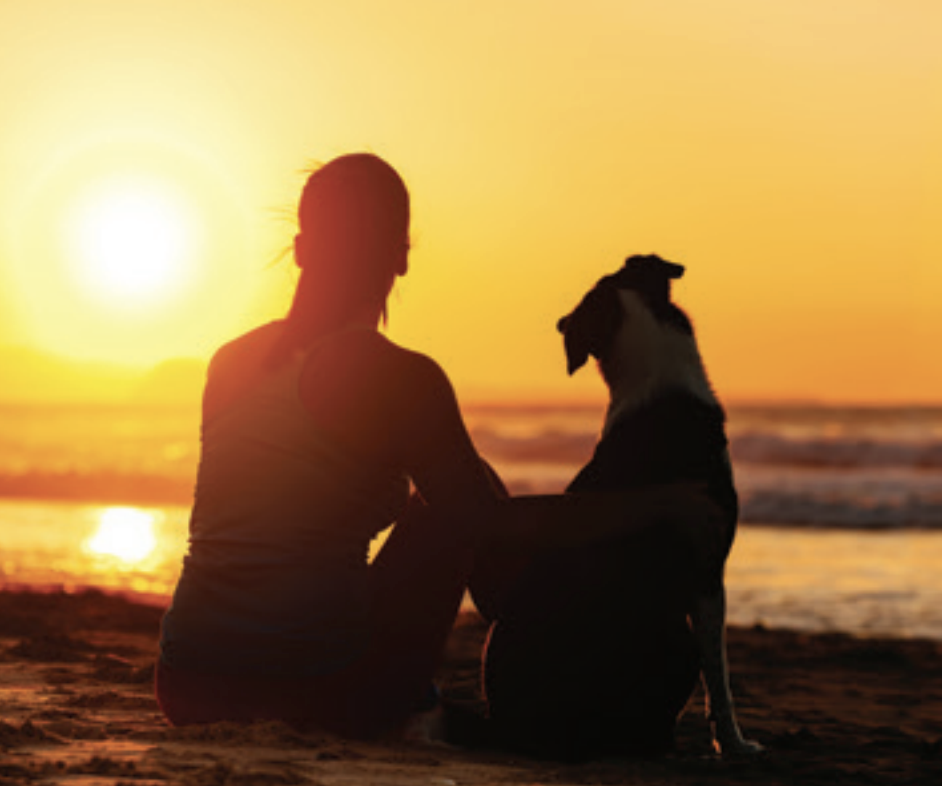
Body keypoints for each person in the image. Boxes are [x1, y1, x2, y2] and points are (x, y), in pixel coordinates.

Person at [155, 152, 723, 743]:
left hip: (187, 683)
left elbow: (287, 507)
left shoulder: (230, 362)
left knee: (457, 488)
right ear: (400, 257)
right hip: (317, 690)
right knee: (456, 509)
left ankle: (549, 650)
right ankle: (549, 661)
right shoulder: (398, 376)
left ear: (302, 250)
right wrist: (656, 505)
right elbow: (488, 526)